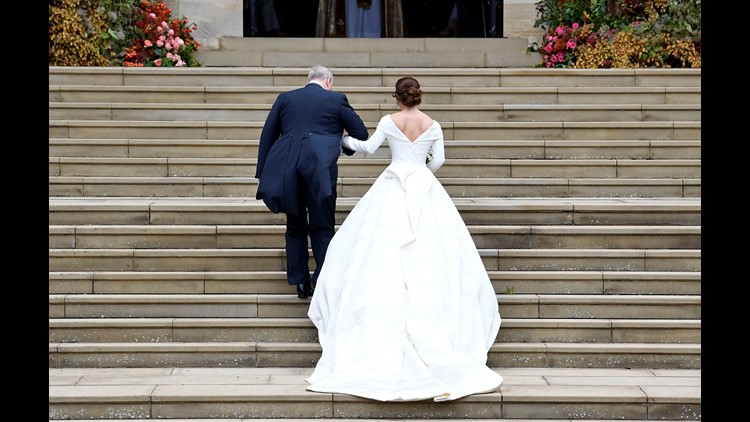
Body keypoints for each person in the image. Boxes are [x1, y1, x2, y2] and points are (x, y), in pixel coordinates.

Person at [306, 76, 503, 401]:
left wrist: (345, 142)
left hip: (393, 184)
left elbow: (368, 148)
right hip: (423, 186)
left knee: (376, 251)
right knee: (434, 252)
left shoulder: (389, 121)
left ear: (397, 98)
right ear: (418, 97)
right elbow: (438, 160)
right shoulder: (433, 124)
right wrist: (421, 170)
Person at [255, 65, 369, 299]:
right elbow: (361, 133)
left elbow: (267, 135)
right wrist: (337, 147)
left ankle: (300, 282)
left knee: (295, 226)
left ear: (310, 80)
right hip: (320, 171)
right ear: (328, 81)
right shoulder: (336, 100)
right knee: (322, 227)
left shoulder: (285, 98)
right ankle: (322, 279)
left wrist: (263, 172)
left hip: (288, 170)